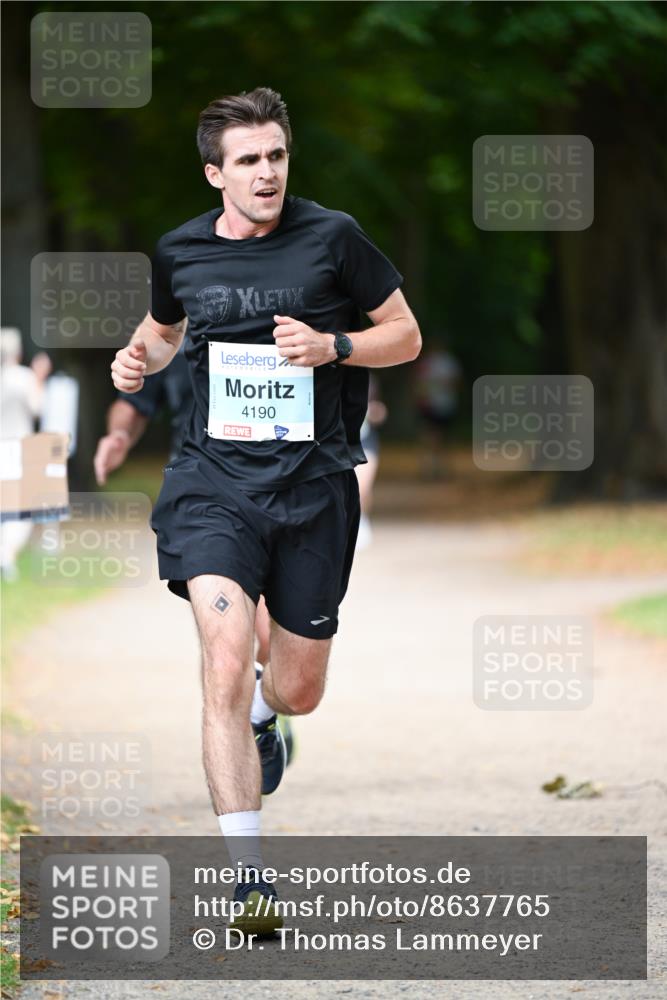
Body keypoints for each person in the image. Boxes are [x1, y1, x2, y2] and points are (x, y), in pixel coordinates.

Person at [110, 87, 421, 931]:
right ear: (216, 173)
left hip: (313, 486)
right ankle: (249, 879)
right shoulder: (181, 250)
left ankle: (264, 713)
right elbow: (162, 330)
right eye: (248, 160)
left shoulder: (334, 238)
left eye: (276, 156)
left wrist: (336, 345)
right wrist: (133, 363)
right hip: (212, 484)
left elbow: (406, 334)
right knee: (221, 651)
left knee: (296, 688)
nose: (266, 173)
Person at [0, 328, 52, 580]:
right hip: (17, 448)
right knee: (21, 508)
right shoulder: (22, 377)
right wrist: (39, 378)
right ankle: (7, 556)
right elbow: (38, 407)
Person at [414, 339, 462, 479]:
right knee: (432, 437)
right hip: (430, 404)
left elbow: (455, 383)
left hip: (444, 404)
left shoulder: (448, 362)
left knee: (441, 438)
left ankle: (440, 468)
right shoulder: (429, 363)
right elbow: (419, 384)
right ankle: (430, 469)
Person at [355, 372, 387, 550]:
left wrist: (376, 413)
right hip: (342, 443)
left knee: (364, 487)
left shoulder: (369, 379)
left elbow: (379, 410)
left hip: (365, 440)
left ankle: (362, 519)